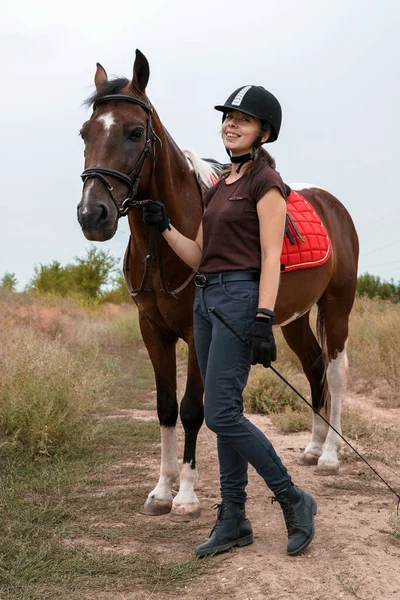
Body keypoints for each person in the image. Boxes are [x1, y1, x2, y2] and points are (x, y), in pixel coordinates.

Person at [143, 85, 317, 558]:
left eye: (243, 119)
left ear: (265, 131)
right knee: (226, 413)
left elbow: (270, 254)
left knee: (220, 414)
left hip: (241, 298)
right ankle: (234, 518)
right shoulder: (220, 185)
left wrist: (264, 316)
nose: (230, 124)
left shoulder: (266, 185)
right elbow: (199, 255)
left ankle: (294, 500)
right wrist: (164, 227)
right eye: (227, 117)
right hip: (206, 298)